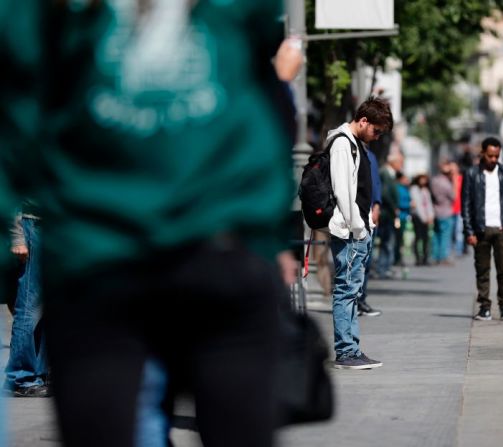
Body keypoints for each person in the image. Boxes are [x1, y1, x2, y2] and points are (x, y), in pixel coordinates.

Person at [1, 2, 297, 446]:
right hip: (100, 259)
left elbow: (267, 96)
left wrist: (267, 236)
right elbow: (14, 117)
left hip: (220, 250)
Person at [326, 97, 393, 370]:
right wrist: (358, 228)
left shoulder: (355, 145)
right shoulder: (343, 144)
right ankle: (346, 351)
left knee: (352, 291)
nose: (376, 137)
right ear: (363, 121)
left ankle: (352, 348)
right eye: (375, 131)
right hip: (349, 232)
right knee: (346, 290)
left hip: (357, 229)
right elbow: (343, 191)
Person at [461, 137, 503, 321]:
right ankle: (484, 307)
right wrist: (469, 231)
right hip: (481, 229)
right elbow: (466, 204)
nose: (494, 159)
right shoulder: (471, 174)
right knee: (482, 270)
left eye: (497, 156)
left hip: (502, 230)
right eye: (490, 156)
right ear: (482, 154)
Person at [5, 205, 49, 398]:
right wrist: (17, 236)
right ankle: (20, 378)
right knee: (28, 306)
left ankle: (39, 373)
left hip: (50, 224)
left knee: (45, 306)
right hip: (31, 225)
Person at [357, 146, 383, 317]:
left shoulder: (370, 155)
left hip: (369, 214)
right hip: (356, 214)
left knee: (366, 261)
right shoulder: (349, 149)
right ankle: (355, 300)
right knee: (356, 262)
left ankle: (361, 299)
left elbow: (376, 183)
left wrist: (377, 205)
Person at [375, 152, 402, 279]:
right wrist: (394, 207)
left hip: (388, 213)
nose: (401, 165)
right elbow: (385, 193)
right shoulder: (385, 173)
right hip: (386, 213)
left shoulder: (390, 174)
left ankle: (385, 267)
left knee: (387, 242)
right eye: (400, 162)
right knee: (385, 242)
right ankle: (382, 268)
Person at [431, 161, 456, 265]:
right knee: (445, 235)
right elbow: (453, 196)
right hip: (445, 211)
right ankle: (443, 257)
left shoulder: (434, 181)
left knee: (436, 235)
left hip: (436, 210)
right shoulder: (446, 184)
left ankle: (435, 256)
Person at [410, 174, 434, 266]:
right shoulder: (414, 189)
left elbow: (428, 204)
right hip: (417, 216)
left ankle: (425, 257)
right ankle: (418, 258)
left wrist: (430, 216)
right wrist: (424, 218)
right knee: (418, 237)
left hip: (426, 217)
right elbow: (418, 205)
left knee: (426, 238)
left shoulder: (425, 191)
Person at [394, 171, 412, 269]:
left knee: (401, 239)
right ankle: (396, 257)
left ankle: (399, 257)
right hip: (399, 217)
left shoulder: (405, 189)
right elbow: (399, 203)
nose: (407, 181)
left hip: (404, 216)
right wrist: (409, 205)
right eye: (405, 179)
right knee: (398, 238)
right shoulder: (399, 189)